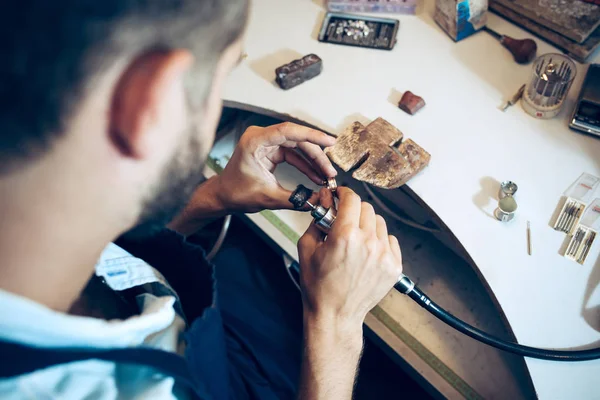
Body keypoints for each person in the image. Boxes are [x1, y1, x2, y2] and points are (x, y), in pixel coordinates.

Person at [0, 1, 403, 399]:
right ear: (149, 104)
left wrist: (212, 197)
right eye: (222, 78)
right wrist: (337, 325)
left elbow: (109, 259)